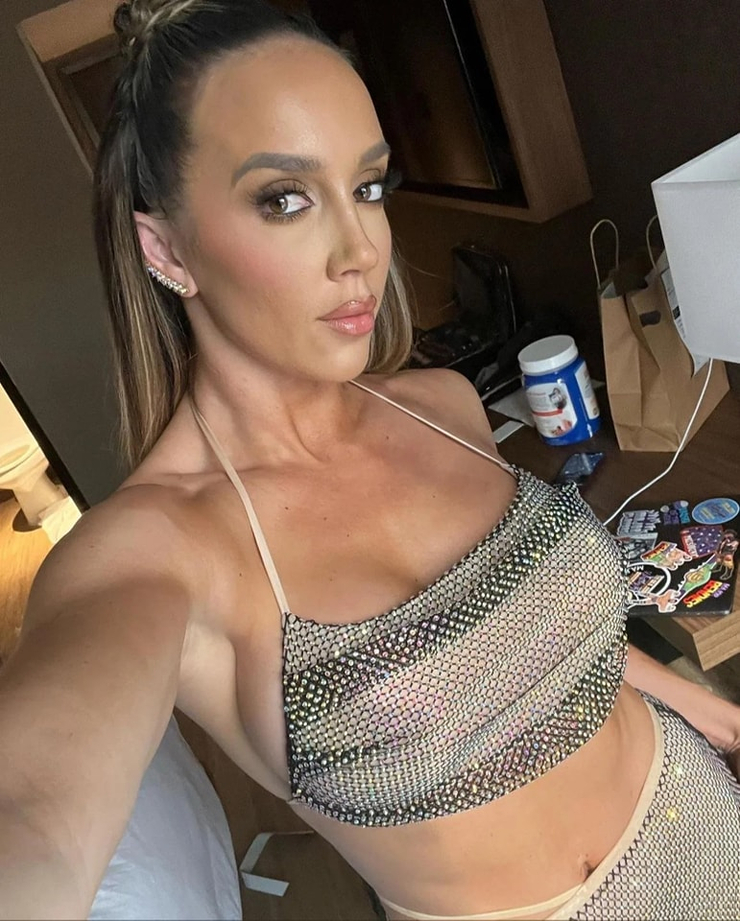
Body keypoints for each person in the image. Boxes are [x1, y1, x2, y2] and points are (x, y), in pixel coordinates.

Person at [2, 1, 739, 918]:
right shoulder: (154, 554)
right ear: (166, 247)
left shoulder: (444, 404)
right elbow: (33, 816)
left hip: (702, 815)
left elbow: (530, 637)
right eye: (284, 198)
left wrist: (704, 707)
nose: (360, 251)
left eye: (369, 186)